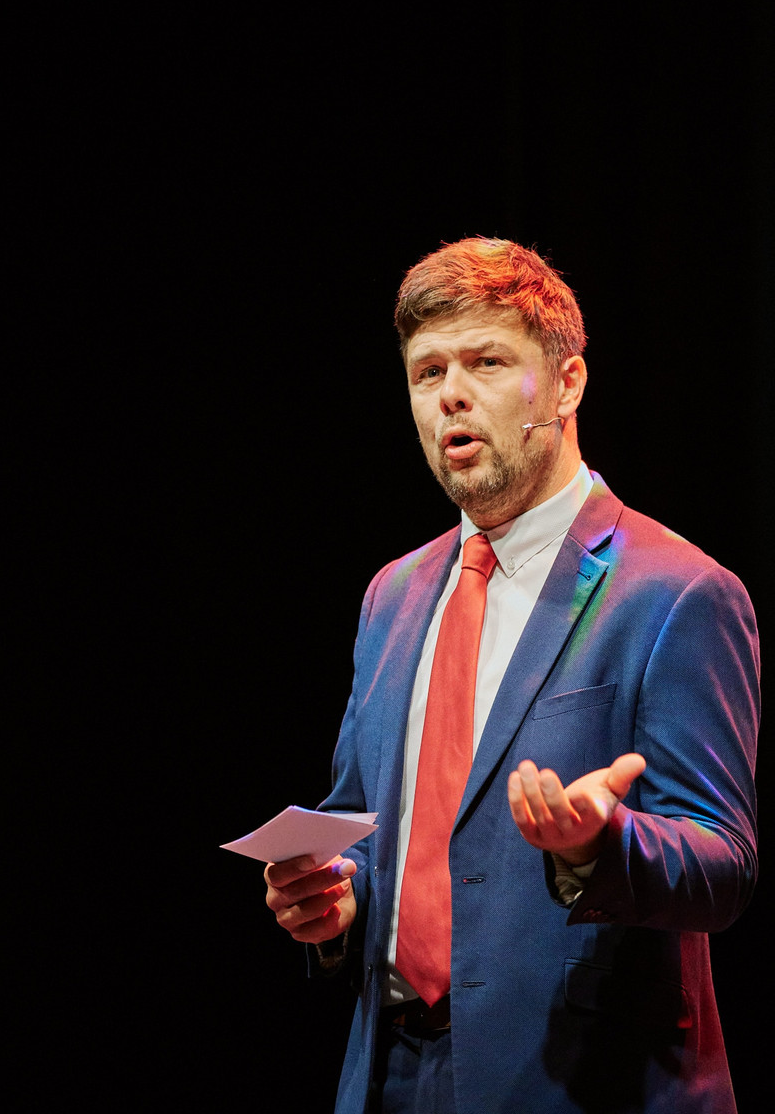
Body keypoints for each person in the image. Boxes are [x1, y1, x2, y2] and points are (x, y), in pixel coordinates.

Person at [264, 238, 760, 1113]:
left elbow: (723, 862)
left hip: (579, 1080)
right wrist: (334, 899)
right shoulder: (393, 594)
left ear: (566, 383)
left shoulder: (679, 592)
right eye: (427, 372)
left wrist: (597, 847)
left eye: (486, 362)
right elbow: (358, 823)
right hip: (389, 1075)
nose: (451, 393)